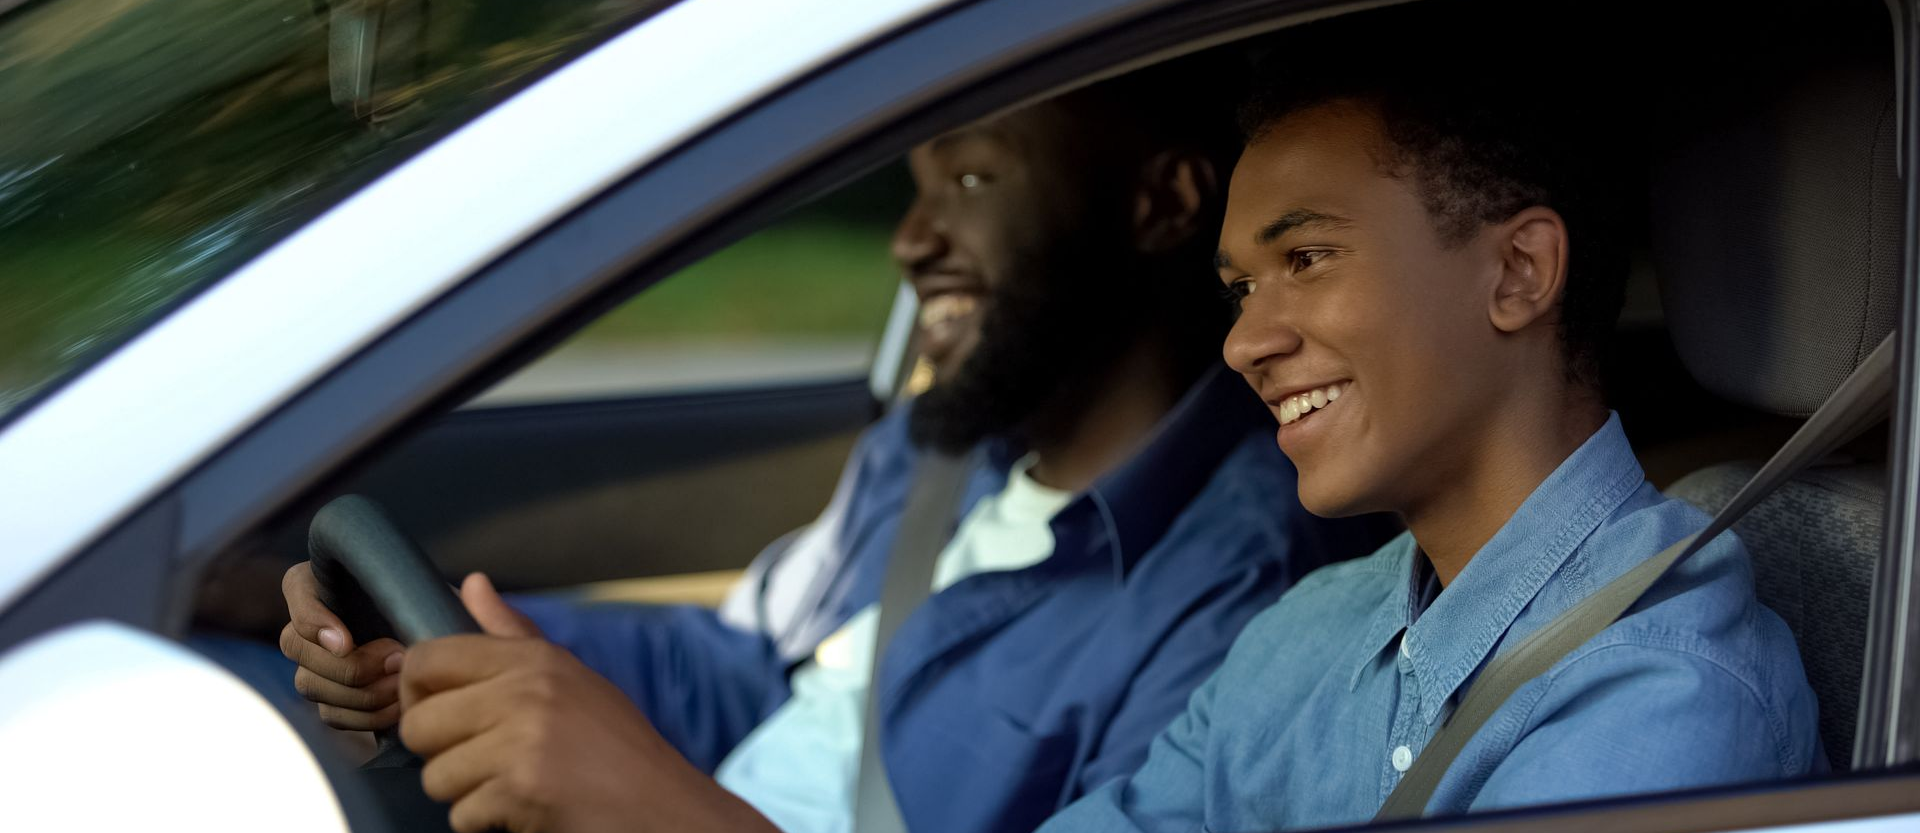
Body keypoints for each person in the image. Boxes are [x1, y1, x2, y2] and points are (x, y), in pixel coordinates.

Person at [279, 58, 1388, 833]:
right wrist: (444, 651)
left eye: (972, 178)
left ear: (1161, 205)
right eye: (913, 189)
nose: (910, 239)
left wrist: (644, 797)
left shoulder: (1242, 592)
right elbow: (745, 667)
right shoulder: (941, 444)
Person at [1035, 12, 1824, 832]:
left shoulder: (1664, 695)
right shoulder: (1300, 633)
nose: (1242, 343)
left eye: (1306, 259)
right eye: (1242, 290)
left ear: (1518, 273)